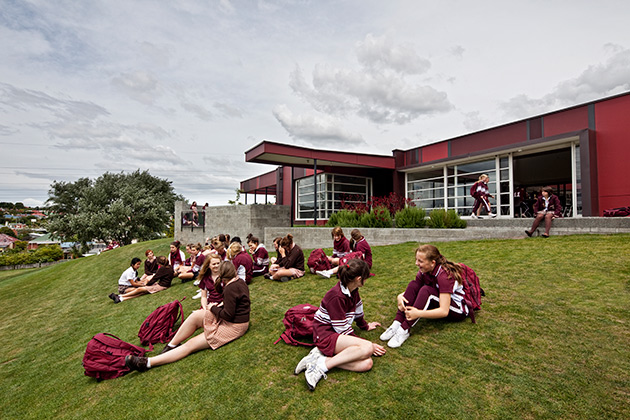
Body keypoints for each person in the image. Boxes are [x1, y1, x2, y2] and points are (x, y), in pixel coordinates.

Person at [124, 261, 250, 372]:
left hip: (235, 326)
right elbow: (236, 304)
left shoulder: (231, 287)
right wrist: (217, 307)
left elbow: (228, 315)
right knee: (196, 315)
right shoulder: (238, 282)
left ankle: (147, 363)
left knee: (190, 344)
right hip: (230, 318)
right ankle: (171, 346)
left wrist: (213, 308)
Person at [294, 259, 386, 391]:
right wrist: (366, 344)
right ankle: (321, 367)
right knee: (367, 348)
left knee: (367, 364)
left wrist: (365, 326)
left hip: (336, 333)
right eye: (366, 278)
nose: (367, 280)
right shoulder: (336, 296)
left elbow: (358, 312)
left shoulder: (353, 289)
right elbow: (342, 329)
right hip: (325, 334)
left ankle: (319, 358)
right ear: (359, 279)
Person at [379, 244, 473, 348]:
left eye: (420, 261)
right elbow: (414, 288)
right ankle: (397, 323)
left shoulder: (444, 276)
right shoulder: (424, 271)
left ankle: (404, 329)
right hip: (439, 300)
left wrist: (418, 313)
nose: (416, 263)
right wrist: (400, 296)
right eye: (416, 260)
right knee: (413, 284)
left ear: (432, 263)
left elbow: (444, 311)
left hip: (458, 310)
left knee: (426, 291)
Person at [109, 256, 175, 303]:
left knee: (140, 290)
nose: (138, 266)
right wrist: (144, 284)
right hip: (124, 287)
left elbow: (155, 278)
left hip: (162, 285)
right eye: (137, 264)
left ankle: (120, 296)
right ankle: (121, 298)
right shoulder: (169, 267)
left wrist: (146, 284)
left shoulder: (162, 269)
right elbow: (134, 283)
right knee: (140, 291)